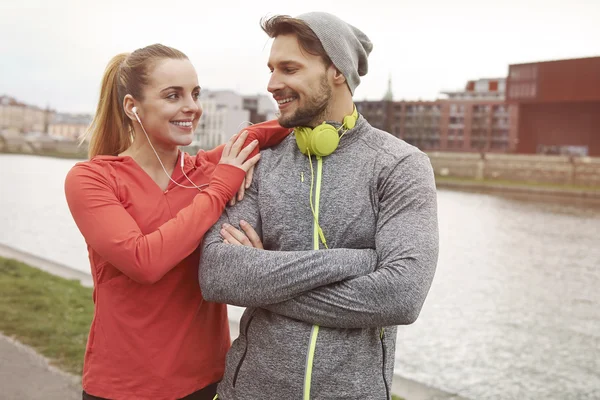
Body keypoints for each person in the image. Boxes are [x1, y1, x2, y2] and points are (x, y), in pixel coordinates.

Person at [199, 12, 439, 399]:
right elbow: (218, 274)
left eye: (289, 68)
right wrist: (357, 260)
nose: (273, 84)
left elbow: (401, 296)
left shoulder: (400, 166)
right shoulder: (260, 162)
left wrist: (264, 282)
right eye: (272, 69)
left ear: (337, 71)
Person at [64, 43, 290, 400]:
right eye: (173, 95)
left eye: (195, 94)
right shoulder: (92, 179)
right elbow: (144, 261)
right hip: (123, 386)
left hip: (207, 381)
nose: (192, 107)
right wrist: (218, 191)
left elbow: (270, 130)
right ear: (132, 107)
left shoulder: (209, 168)